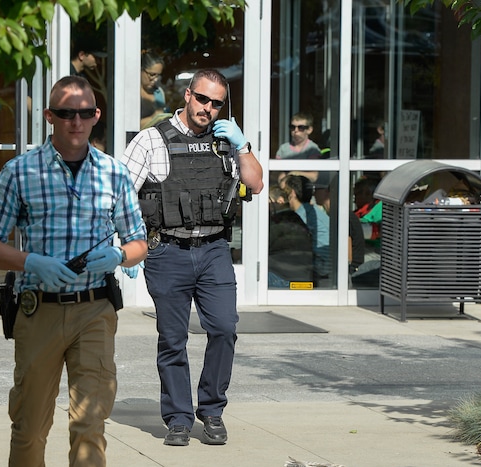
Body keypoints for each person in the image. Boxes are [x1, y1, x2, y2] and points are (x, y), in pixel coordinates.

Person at [0, 76, 148, 467]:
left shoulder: (114, 174)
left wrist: (118, 256)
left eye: (85, 113)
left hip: (95, 309)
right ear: (50, 116)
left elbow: (139, 242)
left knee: (90, 425)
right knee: (30, 425)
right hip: (40, 312)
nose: (76, 121)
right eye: (67, 113)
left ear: (96, 116)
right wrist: (29, 262)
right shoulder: (20, 172)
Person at [120, 69, 263, 447]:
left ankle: (212, 410)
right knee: (172, 339)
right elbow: (118, 194)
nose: (208, 108)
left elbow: (256, 184)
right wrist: (126, 243)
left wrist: (243, 146)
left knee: (224, 329)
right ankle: (178, 418)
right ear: (187, 95)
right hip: (167, 251)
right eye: (203, 99)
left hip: (214, 249)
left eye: (217, 103)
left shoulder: (225, 141)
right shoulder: (151, 140)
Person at [283, 174, 331, 284]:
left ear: (292, 193)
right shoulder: (313, 212)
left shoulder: (302, 216)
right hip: (326, 268)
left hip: (319, 270)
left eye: (285, 191)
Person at [268, 185, 313, 288]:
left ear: (279, 201)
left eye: (268, 202)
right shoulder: (295, 219)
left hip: (283, 277)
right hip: (302, 274)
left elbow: (261, 248)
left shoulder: (280, 222)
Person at [140, 50, 170, 129]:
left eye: (158, 75)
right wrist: (153, 117)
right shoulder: (131, 92)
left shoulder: (158, 92)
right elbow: (128, 126)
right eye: (152, 75)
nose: (155, 80)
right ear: (140, 70)